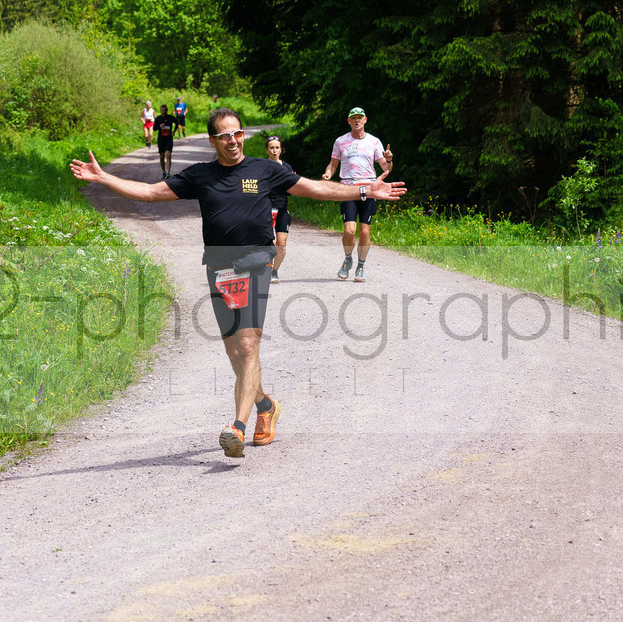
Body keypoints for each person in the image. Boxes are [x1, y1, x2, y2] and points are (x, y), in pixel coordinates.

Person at [71, 108, 405, 459]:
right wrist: (106, 179)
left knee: (247, 346)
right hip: (218, 267)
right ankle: (265, 405)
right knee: (234, 351)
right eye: (225, 136)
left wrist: (365, 190)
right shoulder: (201, 176)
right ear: (214, 141)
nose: (233, 141)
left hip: (256, 261)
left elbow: (315, 188)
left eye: (238, 134)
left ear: (243, 135)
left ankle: (237, 428)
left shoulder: (266, 169)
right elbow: (151, 193)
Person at [322, 106, 394, 282]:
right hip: (348, 190)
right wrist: (327, 174)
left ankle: (361, 266)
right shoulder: (340, 141)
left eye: (359, 117)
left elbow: (386, 168)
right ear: (348, 121)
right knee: (349, 230)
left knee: (364, 232)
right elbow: (333, 164)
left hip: (369, 190)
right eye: (353, 117)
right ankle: (348, 259)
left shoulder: (374, 142)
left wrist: (389, 159)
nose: (356, 120)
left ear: (365, 120)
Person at [266, 135, 296, 283]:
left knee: (281, 243)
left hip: (282, 208)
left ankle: (274, 271)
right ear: (267, 150)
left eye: (277, 147)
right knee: (266, 242)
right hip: (265, 208)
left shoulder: (287, 167)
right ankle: (264, 268)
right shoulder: (262, 166)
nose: (274, 150)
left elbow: (292, 190)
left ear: (281, 150)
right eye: (271, 147)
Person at [153, 104, 179, 179]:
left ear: (167, 110)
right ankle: (163, 171)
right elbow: (154, 128)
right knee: (161, 156)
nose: (163, 112)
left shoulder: (170, 117)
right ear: (160, 111)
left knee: (168, 154)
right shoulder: (158, 118)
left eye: (164, 110)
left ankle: (168, 172)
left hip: (169, 139)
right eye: (162, 110)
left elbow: (177, 122)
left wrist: (174, 131)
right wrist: (159, 126)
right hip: (161, 139)